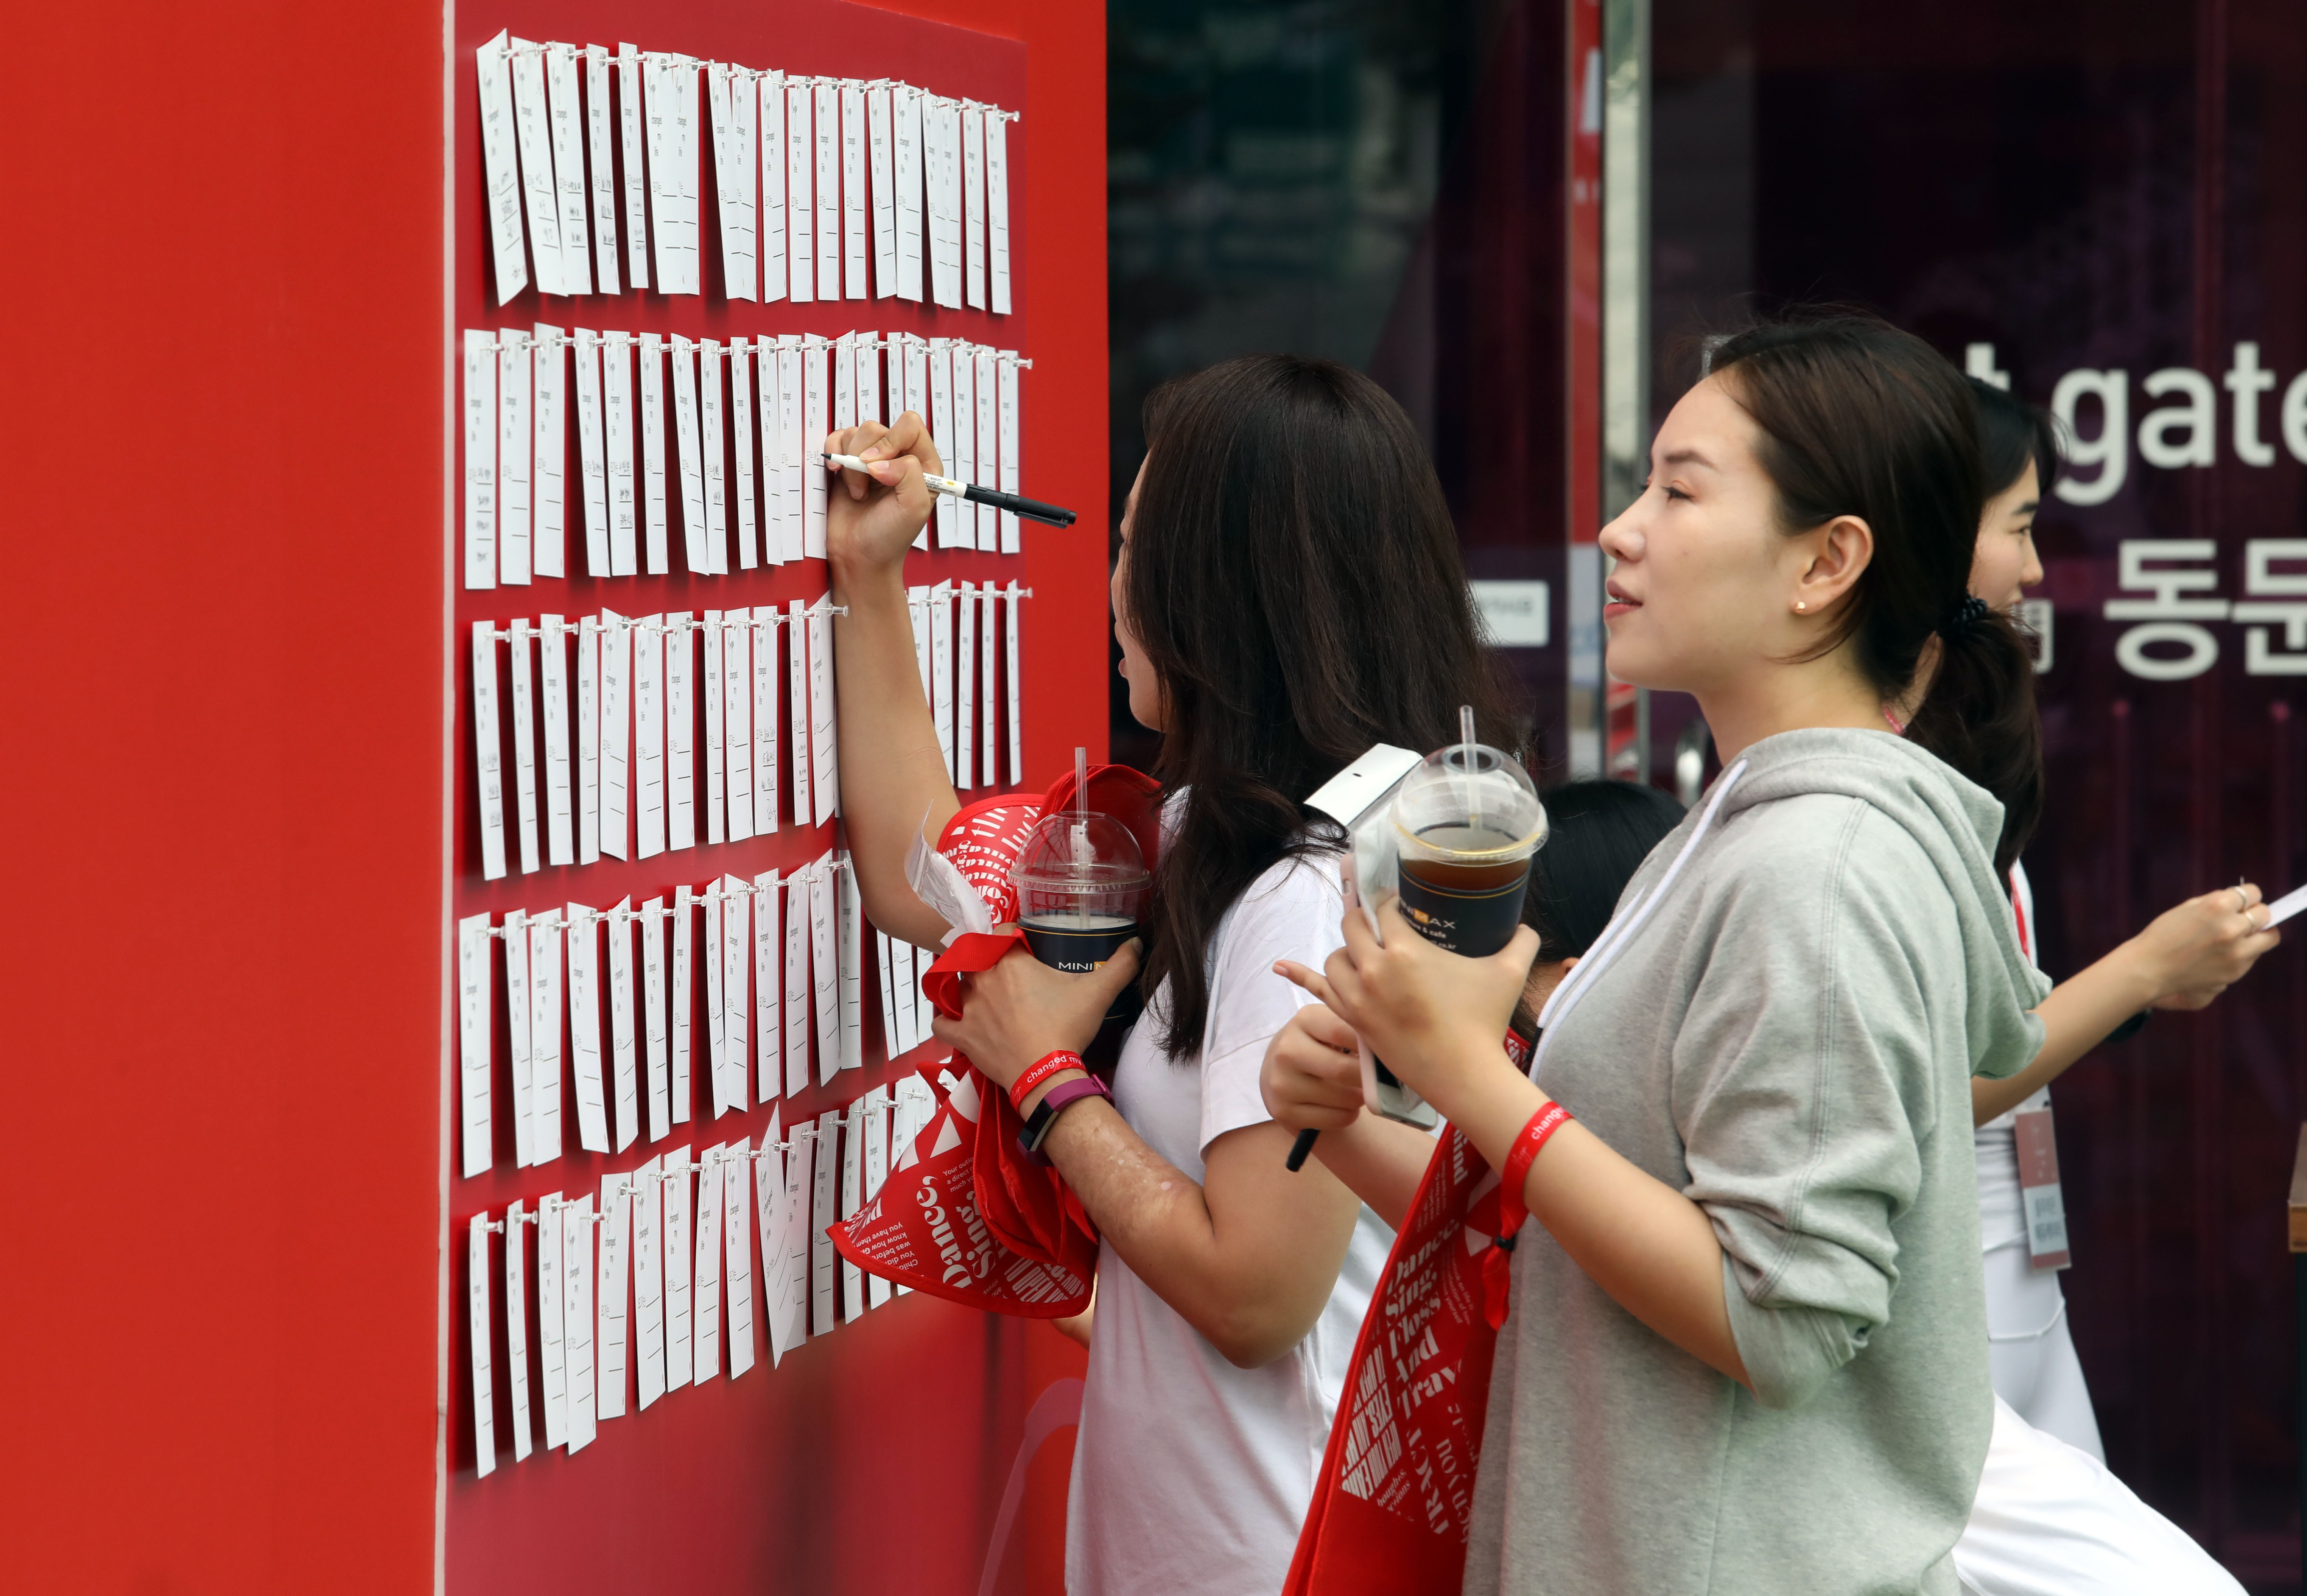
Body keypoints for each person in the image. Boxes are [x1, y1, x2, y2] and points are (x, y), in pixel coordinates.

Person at [1270, 313, 2052, 1594]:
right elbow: (1605, 1222)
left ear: (1826, 563)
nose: (1621, 527)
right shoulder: (1740, 832)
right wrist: (1363, 1113)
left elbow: (1778, 1313)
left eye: (1680, 490)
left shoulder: (1820, 871)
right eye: (1645, 482)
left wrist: (1466, 1069)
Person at [822, 352, 1513, 1596]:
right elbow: (920, 873)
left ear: (1222, 599)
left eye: (1139, 548)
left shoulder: (1311, 887)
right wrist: (874, 575)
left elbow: (1256, 1291)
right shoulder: (1217, 831)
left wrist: (1046, 1083)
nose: (1114, 586)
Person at [1903, 379, 2280, 1457]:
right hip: (1942, 1304)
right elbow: (1945, 1082)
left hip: (2016, 1281)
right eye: (2018, 525)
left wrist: (2152, 980)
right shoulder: (1874, 783)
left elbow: (2001, 1023)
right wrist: (2146, 971)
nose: (2033, 566)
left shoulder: (1964, 738)